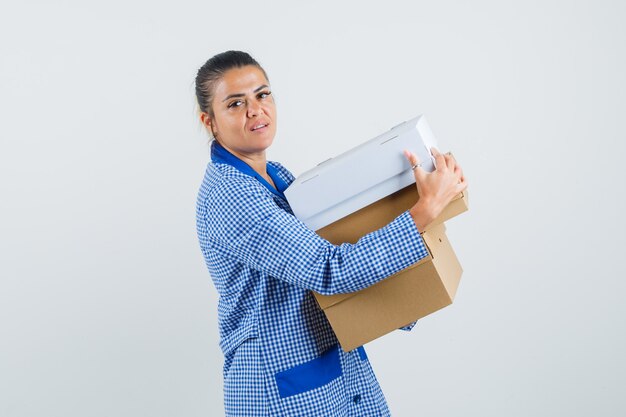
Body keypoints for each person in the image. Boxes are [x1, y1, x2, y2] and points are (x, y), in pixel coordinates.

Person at [194, 50, 467, 417]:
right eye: (235, 103)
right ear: (209, 121)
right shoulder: (230, 196)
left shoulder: (275, 174)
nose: (255, 110)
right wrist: (425, 210)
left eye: (263, 94)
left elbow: (334, 236)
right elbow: (329, 269)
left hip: (332, 363)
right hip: (281, 388)